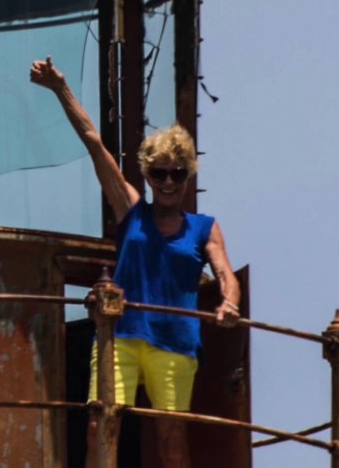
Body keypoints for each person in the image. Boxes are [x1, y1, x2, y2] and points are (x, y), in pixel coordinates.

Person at [29, 56, 239, 468]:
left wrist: (228, 302)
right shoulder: (131, 210)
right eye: (159, 173)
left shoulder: (204, 228)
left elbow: (225, 275)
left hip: (177, 341)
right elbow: (93, 140)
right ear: (146, 174)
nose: (167, 183)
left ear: (187, 177)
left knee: (172, 436)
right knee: (100, 423)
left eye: (177, 175)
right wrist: (60, 88)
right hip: (120, 335)